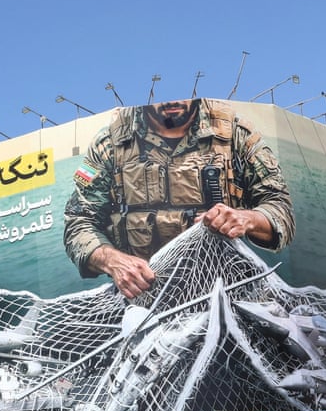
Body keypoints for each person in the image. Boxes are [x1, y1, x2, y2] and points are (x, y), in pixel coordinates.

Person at [64, 98, 294, 299]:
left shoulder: (237, 135)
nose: (171, 103)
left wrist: (247, 218)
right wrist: (113, 261)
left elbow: (280, 208)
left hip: (227, 289)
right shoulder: (109, 144)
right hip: (141, 296)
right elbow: (78, 221)